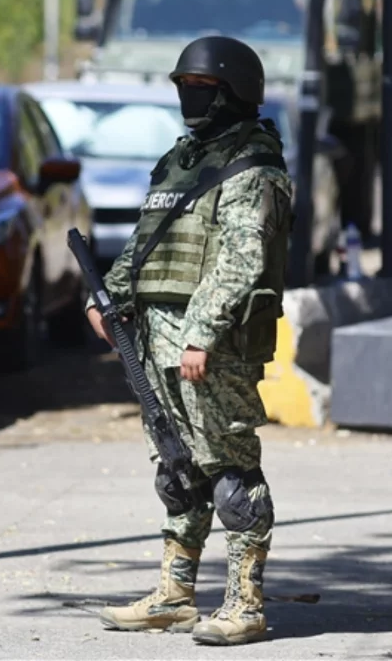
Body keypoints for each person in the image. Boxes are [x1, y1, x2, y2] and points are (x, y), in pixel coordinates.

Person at [84, 36, 293, 646]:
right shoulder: (184, 159)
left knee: (230, 467)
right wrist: (111, 298)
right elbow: (146, 237)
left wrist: (200, 336)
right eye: (186, 89)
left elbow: (241, 260)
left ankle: (245, 604)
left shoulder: (255, 167)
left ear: (234, 94)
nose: (191, 100)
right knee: (177, 467)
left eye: (202, 90)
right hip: (153, 333)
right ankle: (175, 596)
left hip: (212, 342)